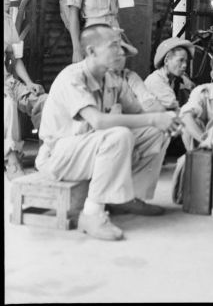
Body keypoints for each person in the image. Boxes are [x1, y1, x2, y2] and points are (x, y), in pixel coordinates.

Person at [35, 24, 180, 241]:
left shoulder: (113, 80)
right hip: (58, 156)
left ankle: (128, 198)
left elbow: (140, 114)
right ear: (91, 51)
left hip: (90, 149)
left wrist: (168, 118)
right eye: (113, 46)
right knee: (119, 135)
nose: (121, 52)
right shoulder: (72, 77)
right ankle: (91, 214)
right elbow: (98, 121)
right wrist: (152, 118)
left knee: (156, 132)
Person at [4, 0, 47, 179]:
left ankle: (48, 155)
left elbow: (15, 59)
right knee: (9, 105)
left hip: (9, 82)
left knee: (43, 102)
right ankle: (11, 159)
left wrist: (29, 83)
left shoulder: (7, 21)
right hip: (6, 88)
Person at [113, 40, 165, 113]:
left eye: (123, 53)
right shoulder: (95, 80)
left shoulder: (129, 77)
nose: (119, 56)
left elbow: (155, 107)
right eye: (113, 51)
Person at [144, 37, 196, 111]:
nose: (185, 65)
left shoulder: (175, 79)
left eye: (186, 61)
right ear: (166, 60)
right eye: (181, 60)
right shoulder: (156, 81)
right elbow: (174, 110)